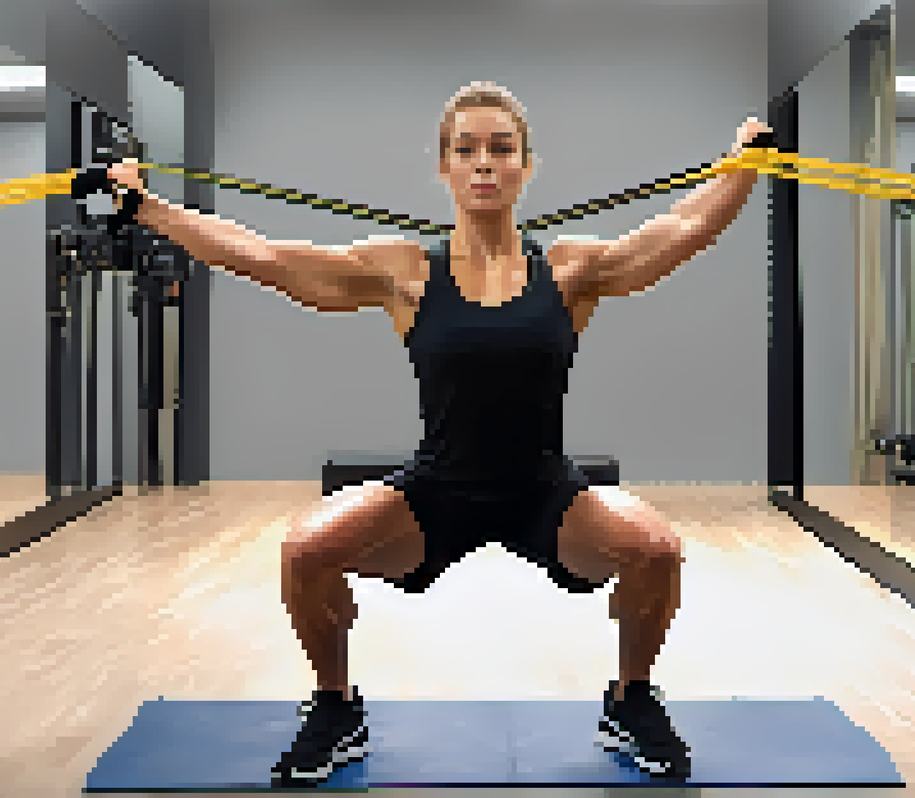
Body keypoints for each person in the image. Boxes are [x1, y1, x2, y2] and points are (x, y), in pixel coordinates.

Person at [106, 81, 767, 786]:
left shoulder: (571, 270)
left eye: (501, 148)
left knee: (657, 550)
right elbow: (264, 258)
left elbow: (676, 234)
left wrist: (742, 166)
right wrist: (145, 207)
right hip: (436, 492)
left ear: (526, 166)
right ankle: (335, 707)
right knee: (306, 550)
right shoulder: (405, 273)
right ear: (444, 168)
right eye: (466, 149)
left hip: (544, 492)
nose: (484, 162)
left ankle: (630, 699)